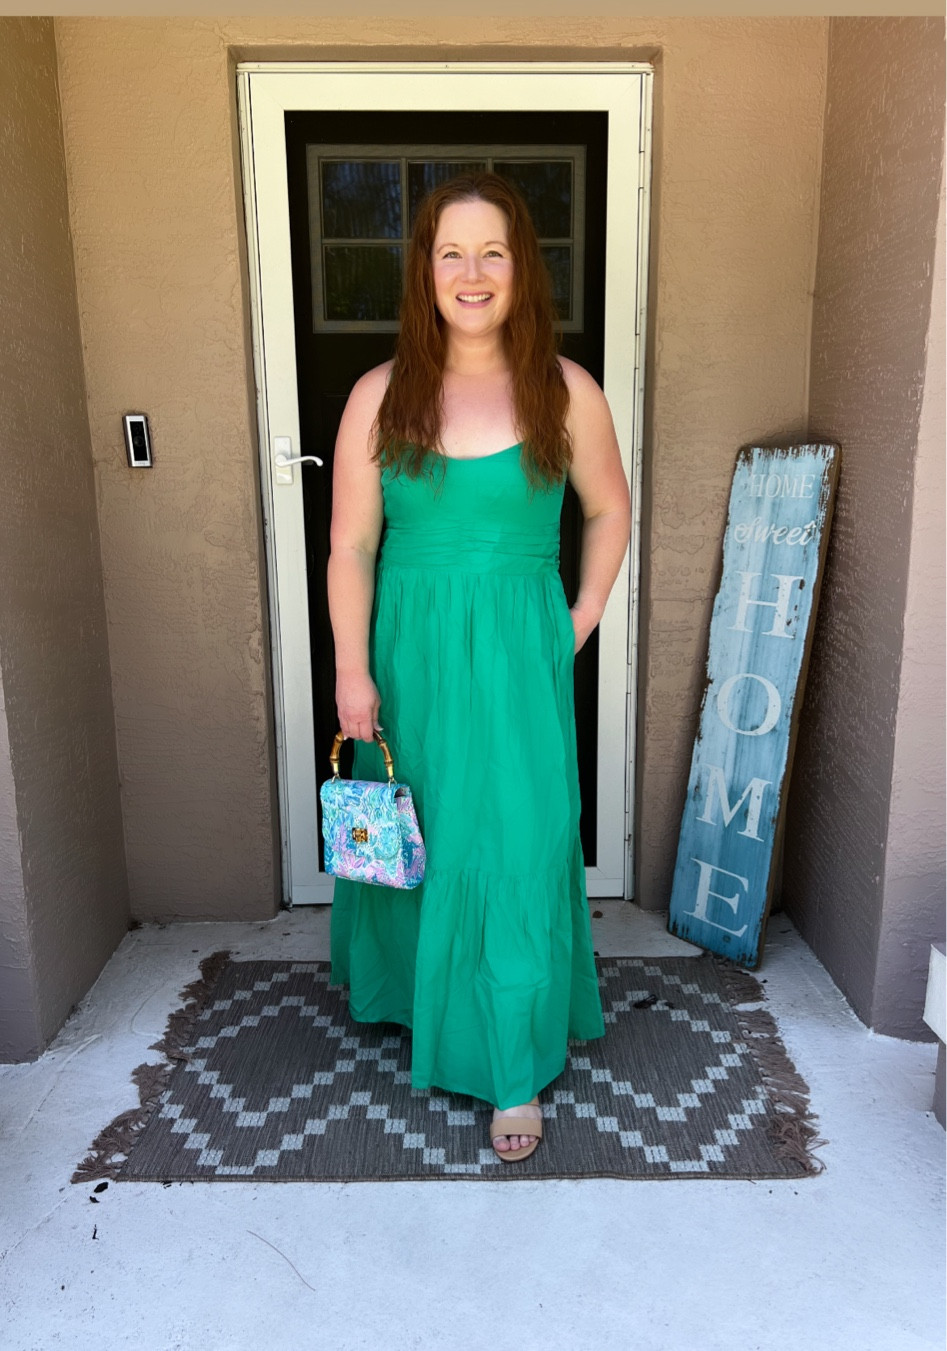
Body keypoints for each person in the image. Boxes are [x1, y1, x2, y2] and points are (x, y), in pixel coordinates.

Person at [326, 171, 631, 1162]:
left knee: (512, 839)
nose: (470, 271)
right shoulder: (379, 395)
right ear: (422, 271)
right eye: (449, 251)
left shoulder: (564, 390)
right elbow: (351, 550)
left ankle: (508, 1065)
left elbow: (608, 509)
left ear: (520, 269)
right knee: (428, 834)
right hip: (408, 657)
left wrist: (576, 617)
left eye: (491, 251)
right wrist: (349, 673)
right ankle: (422, 1003)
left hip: (513, 658)